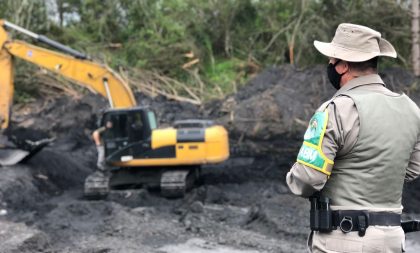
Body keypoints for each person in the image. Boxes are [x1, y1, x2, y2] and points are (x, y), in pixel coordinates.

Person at [286, 23, 420, 252]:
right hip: (391, 240)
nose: (329, 65)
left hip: (342, 239)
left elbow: (308, 179)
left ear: (343, 66)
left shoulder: (336, 110)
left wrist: (293, 177)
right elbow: (412, 169)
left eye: (331, 60)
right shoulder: (411, 109)